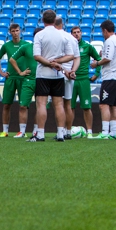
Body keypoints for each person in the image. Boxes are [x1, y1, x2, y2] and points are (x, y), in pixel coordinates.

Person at [29, 10, 75, 142]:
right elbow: (70, 55)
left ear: (43, 20)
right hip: (58, 75)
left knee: (41, 104)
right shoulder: (64, 36)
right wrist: (57, 63)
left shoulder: (39, 35)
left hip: (43, 73)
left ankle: (41, 134)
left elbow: (37, 56)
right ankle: (61, 133)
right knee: (59, 104)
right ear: (55, 20)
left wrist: (50, 63)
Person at [90, 20, 116, 139]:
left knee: (104, 105)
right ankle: (113, 132)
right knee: (113, 106)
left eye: (102, 31)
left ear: (105, 30)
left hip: (110, 76)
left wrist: (96, 63)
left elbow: (108, 58)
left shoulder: (109, 41)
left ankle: (105, 132)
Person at [7, 27, 42, 138]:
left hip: (42, 80)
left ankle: (36, 130)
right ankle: (22, 131)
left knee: (39, 107)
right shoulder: (26, 47)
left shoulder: (46, 49)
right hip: (28, 80)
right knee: (23, 106)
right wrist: (20, 72)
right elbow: (12, 59)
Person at [0, 23, 27, 137]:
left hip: (23, 78)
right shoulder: (6, 45)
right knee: (6, 105)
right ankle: (5, 131)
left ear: (20, 31)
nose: (15, 33)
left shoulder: (26, 45)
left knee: (23, 105)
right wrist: (1, 72)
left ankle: (22, 131)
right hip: (10, 78)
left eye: (17, 30)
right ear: (10, 32)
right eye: (13, 31)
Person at [70, 26, 101, 137]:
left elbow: (98, 59)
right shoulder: (68, 46)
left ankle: (89, 132)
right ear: (71, 34)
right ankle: (67, 130)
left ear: (81, 33)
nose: (77, 34)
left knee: (87, 107)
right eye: (74, 32)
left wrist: (96, 74)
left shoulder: (87, 47)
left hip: (83, 79)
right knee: (70, 107)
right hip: (71, 80)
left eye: (78, 32)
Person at [55, 17, 80, 139]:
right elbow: (77, 57)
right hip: (69, 74)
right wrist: (73, 71)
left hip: (58, 73)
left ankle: (60, 132)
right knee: (68, 104)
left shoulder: (54, 37)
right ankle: (68, 132)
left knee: (58, 104)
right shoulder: (72, 38)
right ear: (63, 24)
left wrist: (64, 70)